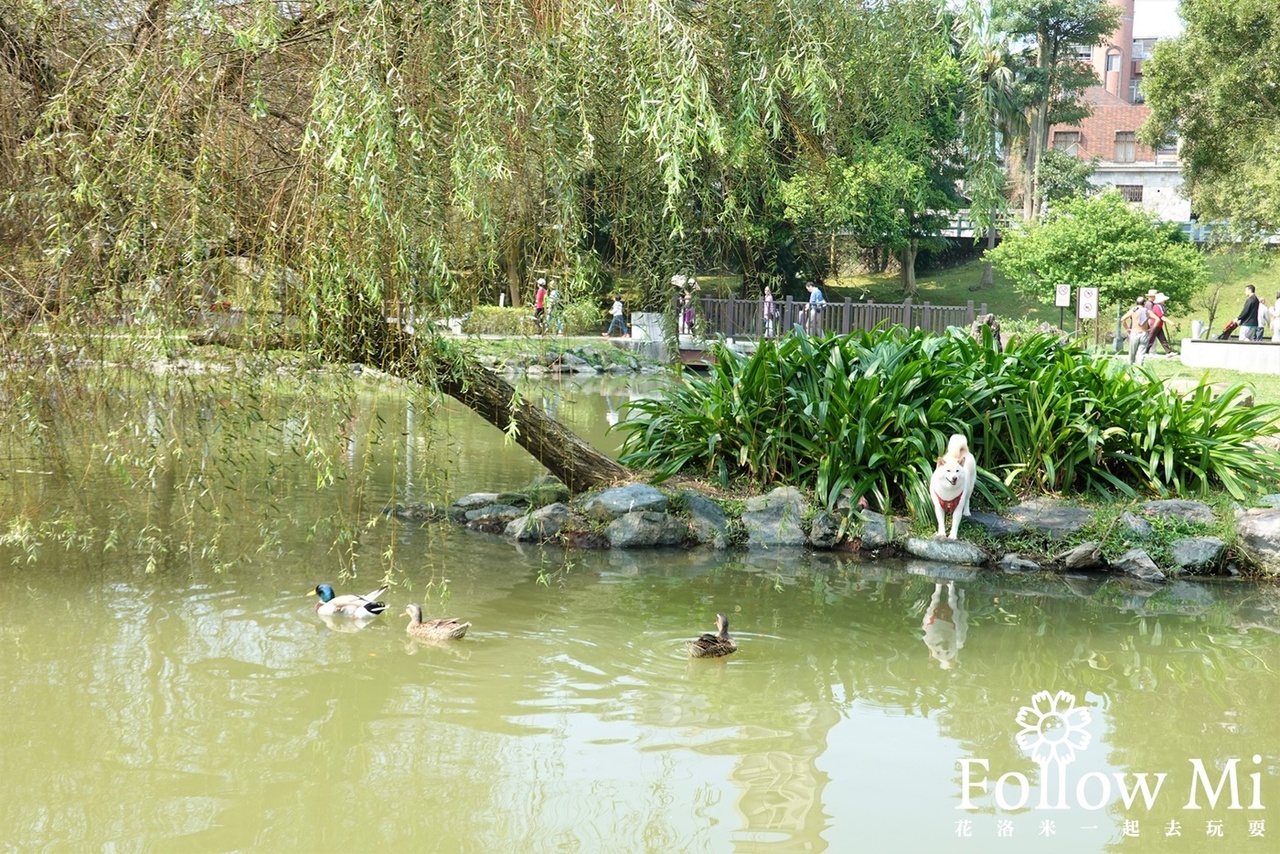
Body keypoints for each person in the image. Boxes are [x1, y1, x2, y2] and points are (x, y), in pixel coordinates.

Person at [1120, 295, 1149, 364]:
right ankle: (1139, 370)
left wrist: (1127, 328)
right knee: (1141, 353)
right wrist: (1151, 329)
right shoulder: (1146, 311)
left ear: (1136, 303)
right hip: (1144, 332)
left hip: (1134, 332)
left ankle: (1130, 368)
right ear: (1144, 303)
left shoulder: (1133, 310)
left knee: (1132, 353)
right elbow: (1157, 319)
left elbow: (1122, 319)